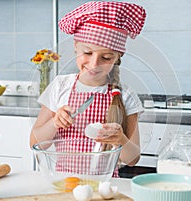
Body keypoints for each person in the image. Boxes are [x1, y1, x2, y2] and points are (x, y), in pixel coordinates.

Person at [30, 1, 146, 177]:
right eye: (88, 53)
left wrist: (120, 139)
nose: (94, 64)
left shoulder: (126, 95)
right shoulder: (60, 86)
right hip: (64, 183)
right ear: (76, 47)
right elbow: (35, 143)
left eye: (106, 57)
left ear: (117, 58)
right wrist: (55, 122)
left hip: (105, 184)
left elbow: (132, 159)